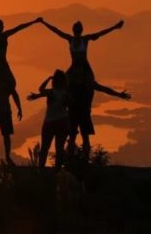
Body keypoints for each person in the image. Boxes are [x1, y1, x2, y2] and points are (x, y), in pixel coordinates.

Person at [39, 19, 129, 153]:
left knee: (88, 86)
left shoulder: (84, 40)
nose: (76, 31)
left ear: (79, 30)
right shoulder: (71, 40)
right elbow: (57, 31)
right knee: (63, 87)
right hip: (75, 69)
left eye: (77, 29)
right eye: (76, 29)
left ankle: (77, 156)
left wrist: (115, 27)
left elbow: (100, 33)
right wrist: (44, 23)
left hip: (84, 69)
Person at [28, 70, 71, 169]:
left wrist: (48, 79)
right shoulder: (53, 92)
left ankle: (52, 169)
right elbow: (41, 90)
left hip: (57, 122)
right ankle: (46, 169)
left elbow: (41, 90)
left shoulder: (62, 93)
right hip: (54, 122)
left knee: (54, 148)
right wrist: (48, 79)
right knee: (49, 148)